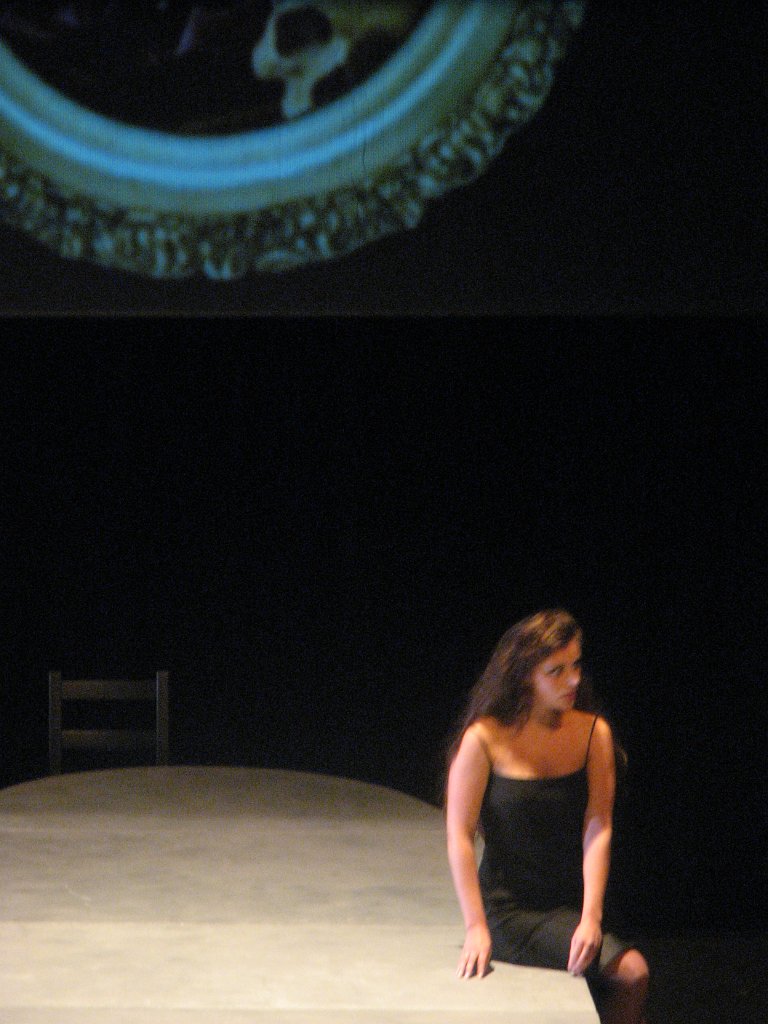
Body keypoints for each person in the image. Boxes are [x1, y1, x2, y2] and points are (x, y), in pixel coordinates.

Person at [445, 609, 649, 1024]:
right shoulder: (484, 739)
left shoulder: (593, 733)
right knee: (633, 973)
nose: (573, 680)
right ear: (525, 677)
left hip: (576, 898)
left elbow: (599, 825)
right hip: (514, 910)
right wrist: (475, 926)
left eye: (576, 666)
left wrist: (591, 916)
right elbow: (460, 836)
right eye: (556, 671)